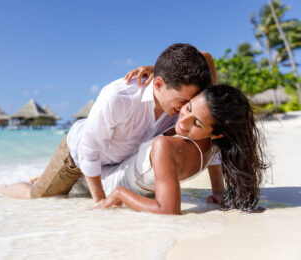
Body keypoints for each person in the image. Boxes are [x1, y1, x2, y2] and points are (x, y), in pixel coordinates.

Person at [0, 43, 216, 203]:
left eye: (190, 103)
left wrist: (157, 67)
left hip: (116, 160)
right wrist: (100, 201)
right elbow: (88, 150)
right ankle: (4, 189)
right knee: (38, 197)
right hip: (77, 157)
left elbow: (205, 57)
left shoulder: (184, 99)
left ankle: (42, 176)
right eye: (182, 102)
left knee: (70, 193)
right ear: (158, 85)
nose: (186, 111)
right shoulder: (118, 97)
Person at [94, 84, 269, 214]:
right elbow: (205, 58)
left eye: (197, 123)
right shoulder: (215, 142)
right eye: (189, 107)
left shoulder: (167, 147)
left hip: (106, 180)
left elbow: (167, 211)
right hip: (117, 163)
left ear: (216, 134)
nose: (183, 121)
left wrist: (119, 193)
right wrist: (218, 191)